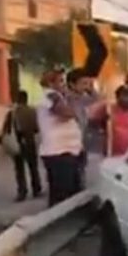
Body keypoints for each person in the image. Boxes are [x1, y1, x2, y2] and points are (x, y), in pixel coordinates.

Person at [37, 69, 83, 206]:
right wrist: (75, 102)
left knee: (68, 191)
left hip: (67, 150)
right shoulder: (51, 96)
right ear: (51, 83)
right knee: (63, 193)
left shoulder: (59, 96)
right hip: (59, 152)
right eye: (61, 81)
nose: (64, 85)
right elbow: (66, 113)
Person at [3, 90, 42, 201]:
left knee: (19, 169)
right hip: (30, 141)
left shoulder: (12, 113)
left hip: (18, 141)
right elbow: (36, 128)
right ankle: (36, 188)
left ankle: (22, 191)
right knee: (33, 166)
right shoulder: (32, 111)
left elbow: (6, 129)